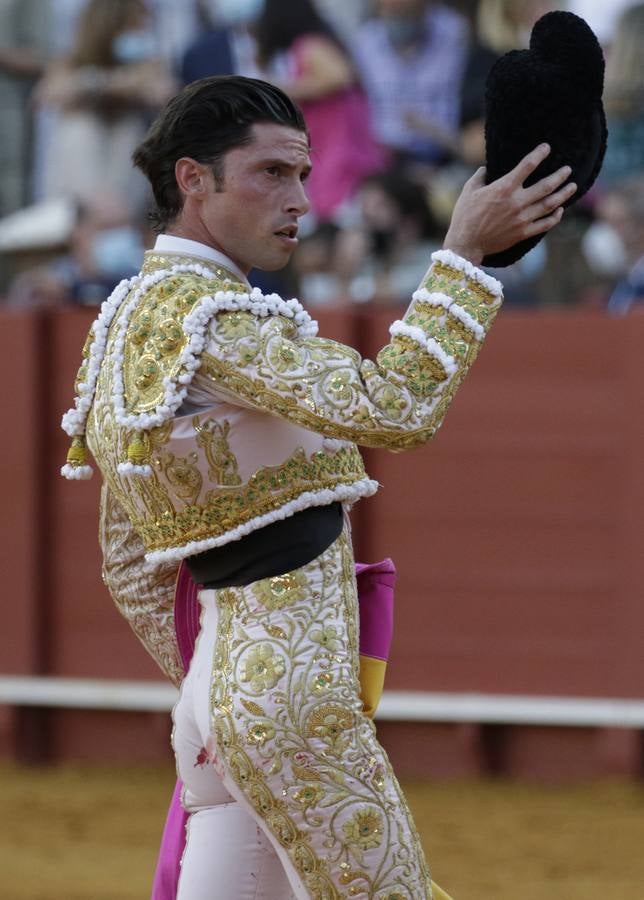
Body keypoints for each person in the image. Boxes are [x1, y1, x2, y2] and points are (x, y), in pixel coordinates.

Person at [60, 75, 575, 898]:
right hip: (290, 698)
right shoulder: (214, 320)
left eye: (303, 172)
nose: (301, 197)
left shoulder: (124, 322)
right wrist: (463, 257)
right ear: (193, 180)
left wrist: (219, 690)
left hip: (213, 706)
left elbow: (129, 559)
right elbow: (397, 406)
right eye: (271, 173)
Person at [255, 0, 385, 222]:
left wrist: (282, 89)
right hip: (331, 152)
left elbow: (339, 75)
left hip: (342, 154)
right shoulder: (307, 46)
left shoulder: (309, 45)